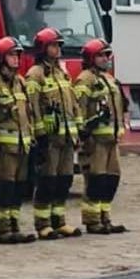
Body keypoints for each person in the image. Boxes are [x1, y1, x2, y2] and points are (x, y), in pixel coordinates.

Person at [26, 27, 83, 240]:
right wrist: (39, 134)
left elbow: (73, 103)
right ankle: (43, 224)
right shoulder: (35, 75)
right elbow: (32, 106)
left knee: (64, 180)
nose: (57, 49)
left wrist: (78, 128)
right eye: (53, 45)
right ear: (43, 48)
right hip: (48, 138)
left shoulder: (62, 72)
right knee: (47, 180)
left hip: (66, 136)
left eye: (58, 45)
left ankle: (59, 221)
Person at [0, 36, 38, 244]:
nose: (16, 59)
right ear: (1, 58)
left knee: (18, 188)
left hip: (22, 145)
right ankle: (2, 229)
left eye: (17, 55)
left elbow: (27, 112)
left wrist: (31, 136)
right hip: (4, 148)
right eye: (11, 55)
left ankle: (14, 226)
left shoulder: (20, 82)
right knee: (4, 187)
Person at [74, 38, 128, 234]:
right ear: (90, 58)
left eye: (107, 55)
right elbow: (78, 110)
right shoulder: (84, 80)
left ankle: (106, 218)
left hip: (112, 140)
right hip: (94, 141)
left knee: (111, 179)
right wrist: (82, 134)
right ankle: (92, 220)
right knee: (95, 180)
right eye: (100, 55)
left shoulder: (109, 79)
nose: (106, 58)